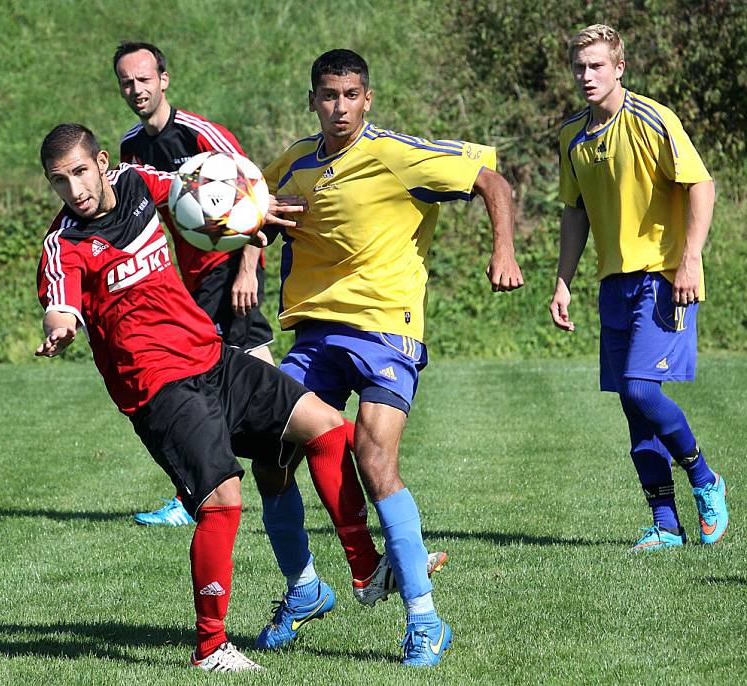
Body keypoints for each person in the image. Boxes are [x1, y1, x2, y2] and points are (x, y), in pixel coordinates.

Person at [35, 123, 358, 672]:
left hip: (212, 357)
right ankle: (211, 647)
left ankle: (366, 570)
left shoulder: (137, 182)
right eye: (60, 182)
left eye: (81, 173)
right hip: (157, 388)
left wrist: (253, 211)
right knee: (223, 502)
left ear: (102, 163)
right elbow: (59, 302)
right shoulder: (64, 245)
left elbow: (202, 185)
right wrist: (61, 324)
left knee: (328, 425)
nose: (75, 190)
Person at [262, 49, 523, 666]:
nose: (340, 106)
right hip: (315, 335)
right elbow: (254, 209)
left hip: (386, 329)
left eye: (351, 94)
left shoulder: (397, 154)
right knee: (272, 461)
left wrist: (504, 251)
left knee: (374, 455)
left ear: (368, 98)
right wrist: (245, 231)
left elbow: (491, 180)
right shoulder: (296, 162)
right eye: (329, 95)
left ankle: (425, 619)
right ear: (312, 100)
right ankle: (304, 591)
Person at [550, 24, 729, 551]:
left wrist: (690, 260)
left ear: (619, 67)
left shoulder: (652, 119)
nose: (587, 76)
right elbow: (574, 213)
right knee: (633, 407)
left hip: (663, 276)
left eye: (597, 65)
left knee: (641, 389)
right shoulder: (572, 136)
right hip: (613, 284)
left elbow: (701, 184)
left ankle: (705, 479)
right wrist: (563, 282)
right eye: (580, 67)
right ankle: (665, 525)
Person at [113, 41, 275, 527]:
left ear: (164, 79)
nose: (136, 88)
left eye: (144, 79)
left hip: (230, 273)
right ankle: (307, 442)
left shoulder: (201, 133)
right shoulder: (129, 147)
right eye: (127, 81)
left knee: (199, 381)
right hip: (189, 281)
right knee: (255, 374)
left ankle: (194, 496)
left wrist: (248, 269)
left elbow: (257, 194)